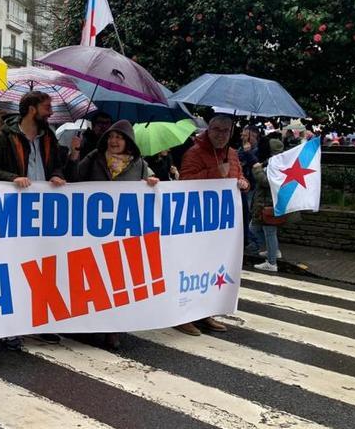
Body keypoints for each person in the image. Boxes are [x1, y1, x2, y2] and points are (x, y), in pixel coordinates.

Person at [0, 91, 76, 348]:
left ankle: (40, 321)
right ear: (32, 109)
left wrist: (56, 174)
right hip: (14, 213)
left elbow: (57, 165)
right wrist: (12, 177)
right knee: (14, 267)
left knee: (43, 267)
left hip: (44, 212)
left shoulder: (49, 138)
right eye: (46, 107)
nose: (50, 111)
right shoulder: (4, 137)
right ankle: (10, 326)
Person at [77, 120, 159, 349]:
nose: (114, 141)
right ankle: (90, 324)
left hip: (122, 233)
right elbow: (73, 177)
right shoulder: (94, 157)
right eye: (111, 136)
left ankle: (113, 328)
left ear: (128, 142)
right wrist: (74, 153)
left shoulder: (139, 164)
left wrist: (151, 182)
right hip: (92, 230)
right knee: (94, 277)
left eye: (119, 138)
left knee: (117, 278)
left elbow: (151, 181)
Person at [175, 115, 249, 336]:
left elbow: (239, 176)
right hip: (198, 223)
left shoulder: (233, 154)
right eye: (216, 129)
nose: (220, 134)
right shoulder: (194, 152)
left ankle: (204, 313)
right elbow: (186, 182)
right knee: (191, 270)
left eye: (226, 131)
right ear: (208, 129)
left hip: (221, 226)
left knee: (211, 270)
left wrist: (243, 183)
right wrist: (216, 173)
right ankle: (182, 316)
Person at [251, 138, 285, 272]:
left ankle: (272, 262)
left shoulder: (275, 165)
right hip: (266, 203)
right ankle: (273, 251)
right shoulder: (275, 162)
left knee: (268, 231)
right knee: (255, 228)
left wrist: (257, 171)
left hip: (267, 204)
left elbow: (267, 182)